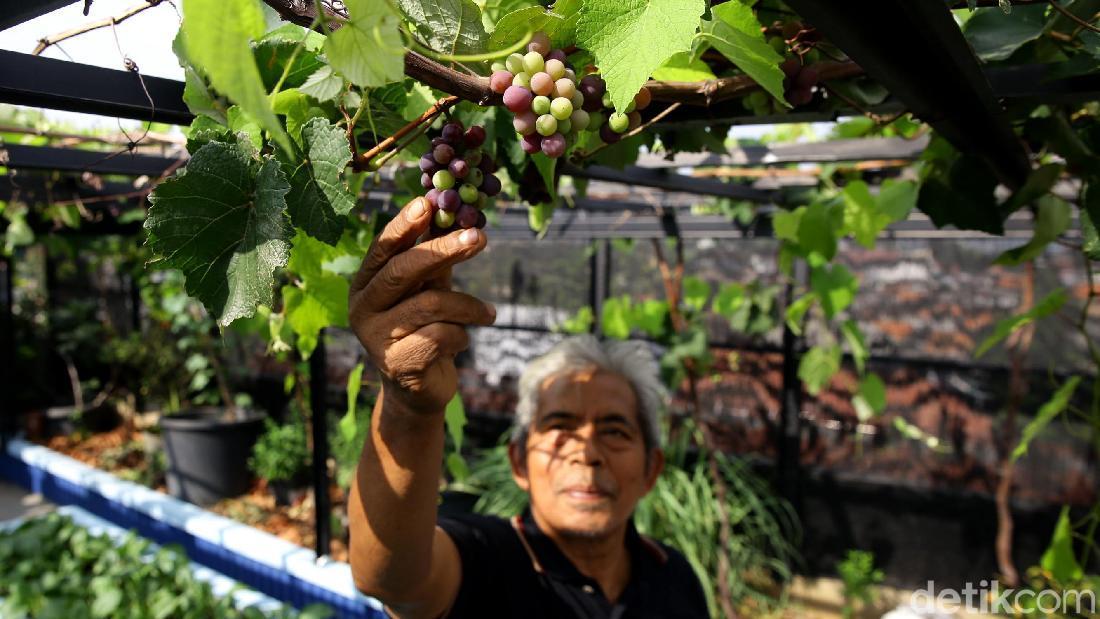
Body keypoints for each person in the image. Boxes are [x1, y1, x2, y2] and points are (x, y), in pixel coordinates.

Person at [347, 197, 710, 619]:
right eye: (560, 426)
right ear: (518, 461)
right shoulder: (487, 559)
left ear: (652, 469)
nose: (587, 452)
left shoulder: (675, 577)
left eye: (615, 430)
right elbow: (392, 578)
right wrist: (410, 409)